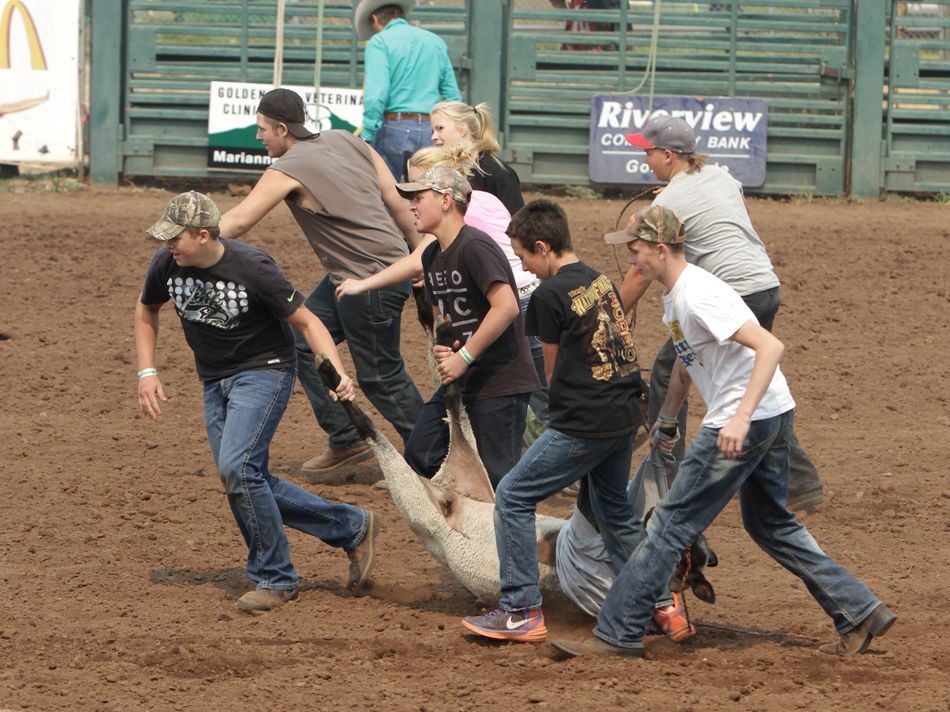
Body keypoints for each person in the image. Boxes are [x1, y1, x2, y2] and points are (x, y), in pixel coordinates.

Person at [549, 206, 895, 658]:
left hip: (743, 420)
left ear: (660, 249)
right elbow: (685, 364)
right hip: (772, 413)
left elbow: (771, 346)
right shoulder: (677, 297)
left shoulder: (697, 296)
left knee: (668, 527)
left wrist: (739, 416)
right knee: (769, 523)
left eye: (635, 252)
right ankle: (859, 610)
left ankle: (616, 632)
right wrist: (667, 420)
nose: (631, 262)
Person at [134, 191, 380, 613]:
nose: (169, 245)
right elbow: (146, 309)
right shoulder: (166, 263)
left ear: (204, 234)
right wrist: (146, 371)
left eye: (176, 237)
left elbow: (307, 320)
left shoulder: (253, 266)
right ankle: (350, 526)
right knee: (244, 478)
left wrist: (336, 369)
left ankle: (275, 577)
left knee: (237, 469)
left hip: (264, 370)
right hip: (214, 379)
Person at [461, 200, 693, 644]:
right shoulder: (597, 278)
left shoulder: (548, 296)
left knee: (512, 494)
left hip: (584, 421)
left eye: (525, 256)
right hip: (624, 413)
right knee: (613, 510)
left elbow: (552, 374)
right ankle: (664, 605)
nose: (525, 268)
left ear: (543, 247)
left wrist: (553, 424)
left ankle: (520, 609)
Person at [618, 114, 824, 512]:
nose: (645, 158)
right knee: (753, 375)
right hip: (764, 284)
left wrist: (610, 316)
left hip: (731, 293)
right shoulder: (723, 177)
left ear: (667, 156)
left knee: (670, 370)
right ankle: (800, 481)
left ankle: (668, 476)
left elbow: (640, 275)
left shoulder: (668, 202)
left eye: (648, 152)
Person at [218, 88, 424, 477]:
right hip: (379, 269)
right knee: (300, 337)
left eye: (262, 129)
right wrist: (418, 259)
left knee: (381, 375)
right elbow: (398, 202)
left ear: (281, 128)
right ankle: (347, 439)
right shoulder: (349, 141)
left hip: (365, 279)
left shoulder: (287, 168)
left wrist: (190, 232)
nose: (258, 137)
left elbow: (240, 221)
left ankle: (436, 460)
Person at [336, 144, 549, 429]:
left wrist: (364, 284)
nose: (413, 201)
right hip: (529, 292)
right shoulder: (484, 198)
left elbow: (416, 263)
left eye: (418, 191)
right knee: (535, 396)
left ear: (442, 194)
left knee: (522, 399)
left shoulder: (461, 221)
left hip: (507, 300)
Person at [393, 166, 538, 486]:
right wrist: (445, 347)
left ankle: (509, 531)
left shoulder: (475, 245)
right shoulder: (433, 254)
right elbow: (446, 316)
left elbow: (507, 307)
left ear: (446, 201)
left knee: (501, 478)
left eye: (419, 197)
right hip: (464, 379)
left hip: (500, 380)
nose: (411, 206)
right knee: (422, 452)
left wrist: (465, 356)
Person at [354, 0, 462, 181]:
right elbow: (452, 96)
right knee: (428, 193)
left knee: (389, 196)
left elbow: (376, 95)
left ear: (374, 18)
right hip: (432, 130)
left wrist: (368, 135)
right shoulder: (435, 42)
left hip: (393, 128)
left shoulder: (379, 42)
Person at [430, 101, 525, 215]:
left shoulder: (496, 173)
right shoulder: (440, 170)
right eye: (432, 131)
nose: (433, 137)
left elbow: (517, 221)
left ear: (463, 128)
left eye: (440, 128)